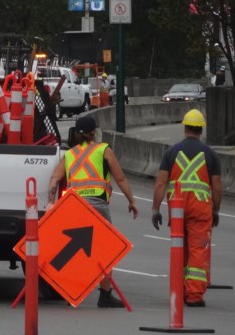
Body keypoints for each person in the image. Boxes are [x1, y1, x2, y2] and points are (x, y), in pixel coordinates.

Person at [47, 114, 138, 308]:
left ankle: (67, 289)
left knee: (72, 250)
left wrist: (49, 201)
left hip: (73, 207)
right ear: (93, 133)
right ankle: (105, 295)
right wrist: (131, 201)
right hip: (97, 205)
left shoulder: (69, 154)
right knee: (106, 250)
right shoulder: (103, 150)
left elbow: (55, 178)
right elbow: (120, 179)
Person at [150, 108, 222, 308]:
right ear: (201, 129)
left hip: (178, 209)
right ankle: (194, 295)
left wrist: (155, 210)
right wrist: (216, 210)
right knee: (198, 250)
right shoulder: (211, 155)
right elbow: (216, 187)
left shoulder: (171, 153)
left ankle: (179, 290)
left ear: (185, 128)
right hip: (200, 209)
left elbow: (160, 183)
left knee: (179, 250)